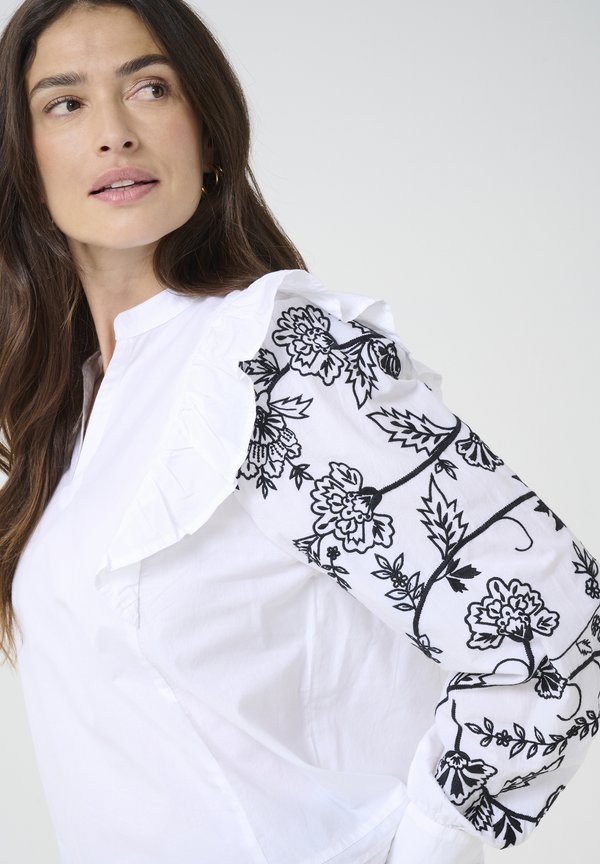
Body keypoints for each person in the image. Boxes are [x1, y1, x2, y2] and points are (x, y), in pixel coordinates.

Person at [0, 1, 597, 863]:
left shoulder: (277, 356)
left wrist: (428, 850)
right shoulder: (81, 409)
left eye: (150, 88)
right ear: (23, 161)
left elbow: (553, 623)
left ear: (207, 129)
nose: (114, 133)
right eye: (65, 103)